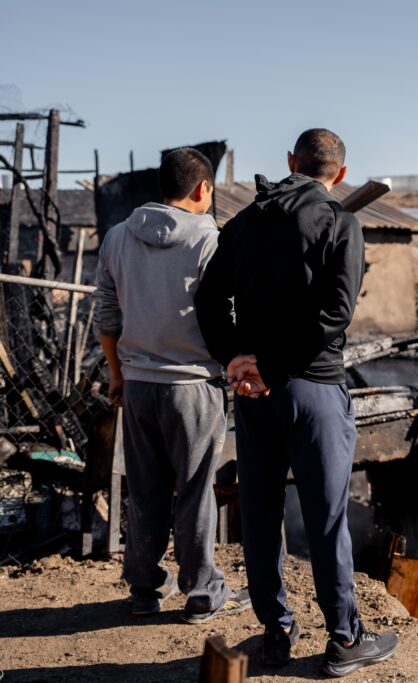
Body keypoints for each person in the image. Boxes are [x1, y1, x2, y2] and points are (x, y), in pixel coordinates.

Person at [195, 129, 397, 677]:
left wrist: (237, 359)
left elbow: (208, 297)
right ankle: (344, 639)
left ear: (291, 162)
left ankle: (276, 629)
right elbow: (334, 315)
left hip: (255, 396)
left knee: (260, 514)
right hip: (313, 390)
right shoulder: (340, 222)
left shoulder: (245, 222)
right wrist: (269, 366)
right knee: (327, 516)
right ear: (341, 175)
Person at [92, 148, 250, 622]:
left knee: (144, 492)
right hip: (193, 387)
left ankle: (144, 590)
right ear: (203, 189)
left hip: (138, 385)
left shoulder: (119, 236)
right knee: (196, 490)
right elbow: (231, 316)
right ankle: (200, 592)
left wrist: (118, 376)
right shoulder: (210, 240)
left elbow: (105, 315)